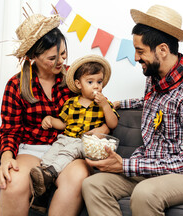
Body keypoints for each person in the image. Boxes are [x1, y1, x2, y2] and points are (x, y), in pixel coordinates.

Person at [82, 4, 183, 216]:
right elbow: (152, 101)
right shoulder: (156, 78)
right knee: (93, 185)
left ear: (163, 50)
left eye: (140, 51)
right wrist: (116, 103)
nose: (136, 57)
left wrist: (126, 166)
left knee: (145, 193)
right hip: (153, 168)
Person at [0, 12, 109, 216]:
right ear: (33, 57)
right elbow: (10, 129)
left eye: (64, 54)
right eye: (51, 58)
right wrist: (7, 158)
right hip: (33, 149)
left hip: (68, 150)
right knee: (14, 182)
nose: (60, 62)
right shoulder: (17, 85)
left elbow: (102, 110)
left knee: (78, 178)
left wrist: (103, 130)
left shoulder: (74, 80)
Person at [29, 55, 119, 198]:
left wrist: (104, 105)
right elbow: (63, 123)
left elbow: (113, 123)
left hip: (86, 142)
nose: (96, 86)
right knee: (52, 153)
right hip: (66, 137)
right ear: (78, 84)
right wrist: (51, 120)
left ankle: (51, 173)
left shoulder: (104, 103)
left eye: (99, 82)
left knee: (68, 151)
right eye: (90, 82)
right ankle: (43, 180)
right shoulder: (71, 103)